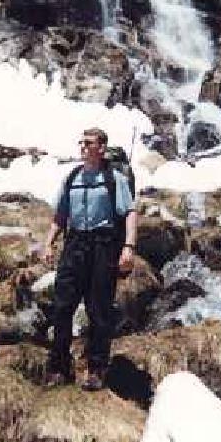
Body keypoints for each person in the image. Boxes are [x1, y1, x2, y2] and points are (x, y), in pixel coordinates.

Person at [43, 127, 137, 391]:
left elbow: (129, 212)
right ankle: (59, 367)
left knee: (99, 309)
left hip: (103, 246)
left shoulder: (114, 179)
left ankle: (97, 368)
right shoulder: (72, 177)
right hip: (75, 245)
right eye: (81, 142)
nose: (83, 147)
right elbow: (60, 217)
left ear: (102, 148)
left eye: (89, 143)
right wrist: (48, 243)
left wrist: (128, 246)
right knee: (62, 306)